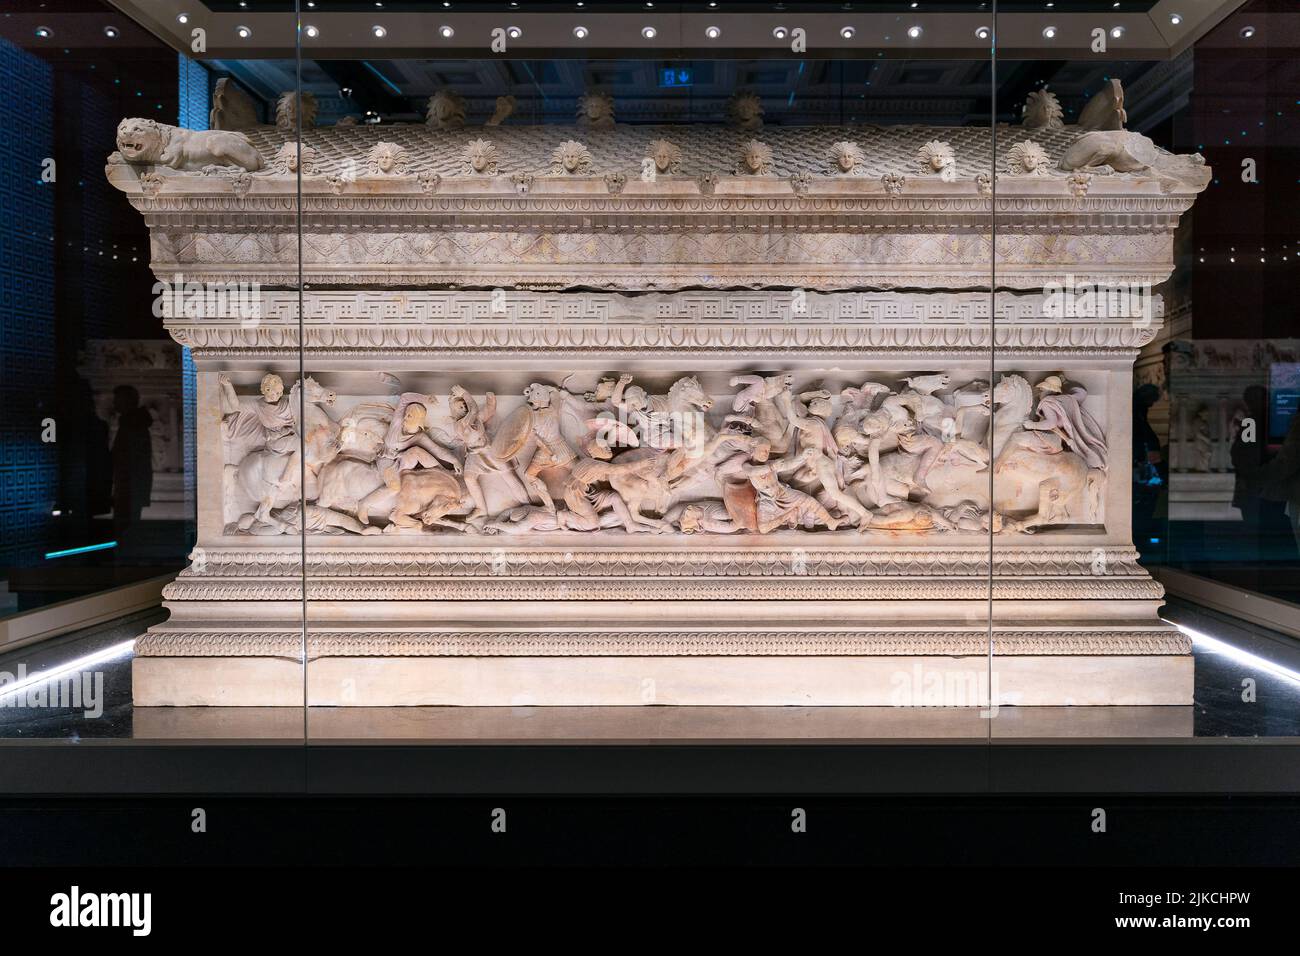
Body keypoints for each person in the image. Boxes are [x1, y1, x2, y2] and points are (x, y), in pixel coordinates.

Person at [110, 385, 153, 538]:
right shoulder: (134, 423)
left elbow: (129, 459)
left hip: (129, 487)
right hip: (130, 486)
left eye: (117, 399)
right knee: (128, 527)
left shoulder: (132, 424)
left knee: (125, 528)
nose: (114, 403)